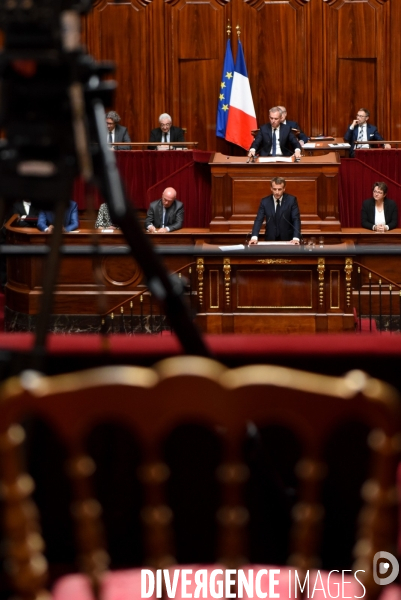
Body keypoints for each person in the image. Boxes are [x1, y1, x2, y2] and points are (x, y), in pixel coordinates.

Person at [249, 177, 301, 244]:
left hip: (288, 239)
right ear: (271, 188)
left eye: (279, 189)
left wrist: (296, 238)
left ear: (284, 189)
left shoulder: (291, 200)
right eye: (274, 189)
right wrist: (254, 237)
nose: (277, 192)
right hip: (270, 239)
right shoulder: (265, 202)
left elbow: (296, 219)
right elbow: (259, 219)